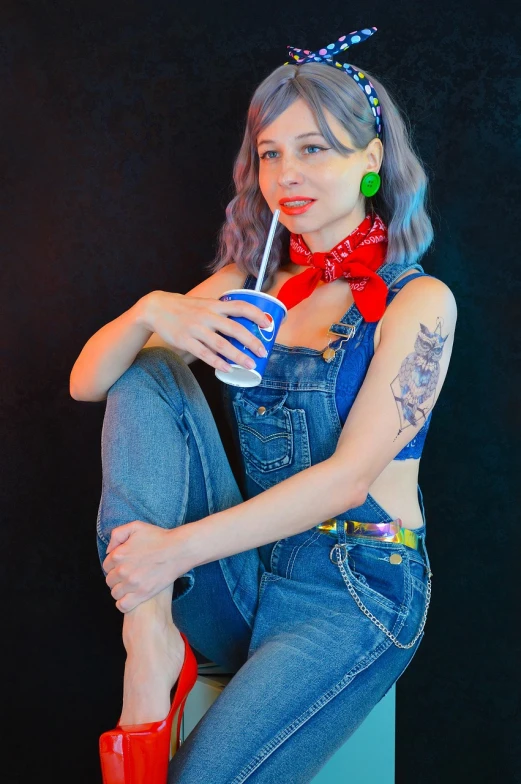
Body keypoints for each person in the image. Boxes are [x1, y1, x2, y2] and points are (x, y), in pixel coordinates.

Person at [70, 28, 457, 784]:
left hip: (357, 584)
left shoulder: (419, 303)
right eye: (271, 153)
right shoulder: (251, 284)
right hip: (249, 570)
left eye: (314, 149)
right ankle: (148, 640)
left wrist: (174, 551)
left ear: (369, 162)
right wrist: (155, 310)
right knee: (142, 371)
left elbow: (347, 481)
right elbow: (89, 381)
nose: (287, 173)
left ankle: (157, 613)